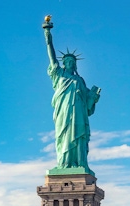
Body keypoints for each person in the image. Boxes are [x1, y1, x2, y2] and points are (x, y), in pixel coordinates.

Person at [44, 23, 101, 172]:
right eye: (67, 61)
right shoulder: (59, 75)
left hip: (79, 115)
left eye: (72, 62)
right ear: (63, 63)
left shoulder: (80, 81)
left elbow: (88, 105)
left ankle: (80, 163)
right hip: (64, 112)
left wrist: (93, 98)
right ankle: (64, 164)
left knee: (79, 137)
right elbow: (52, 57)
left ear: (75, 65)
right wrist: (48, 35)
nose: (69, 63)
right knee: (64, 136)